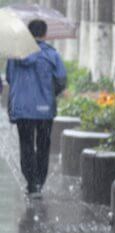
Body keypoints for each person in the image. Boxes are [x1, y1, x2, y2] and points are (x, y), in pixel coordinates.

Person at [6, 19, 66, 198]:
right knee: (43, 144)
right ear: (45, 34)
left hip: (23, 109)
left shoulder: (15, 55)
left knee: (26, 145)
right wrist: (48, 93)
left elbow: (10, 78)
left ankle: (32, 184)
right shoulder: (52, 55)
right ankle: (39, 181)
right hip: (44, 109)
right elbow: (61, 80)